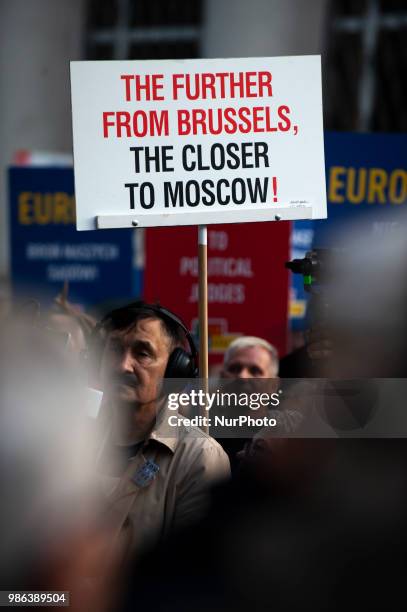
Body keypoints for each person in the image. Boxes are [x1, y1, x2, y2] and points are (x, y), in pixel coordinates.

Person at [93, 301, 230, 557]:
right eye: (113, 350)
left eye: (142, 353)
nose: (123, 365)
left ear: (175, 370)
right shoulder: (70, 441)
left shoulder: (199, 457)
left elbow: (193, 573)